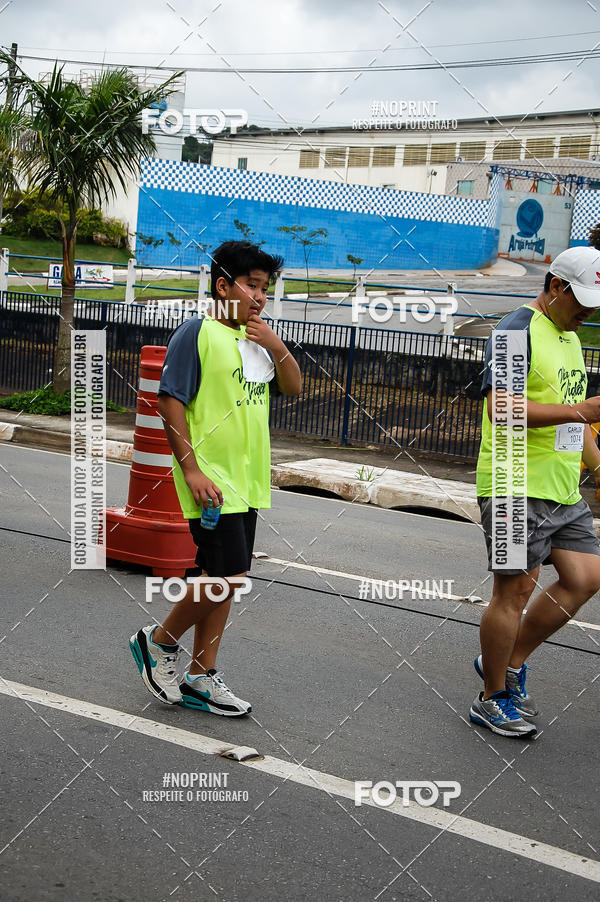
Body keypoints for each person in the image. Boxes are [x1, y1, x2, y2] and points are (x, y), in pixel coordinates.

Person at [130, 240, 302, 715]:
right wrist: (190, 467)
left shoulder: (256, 340)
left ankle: (201, 677)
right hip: (210, 482)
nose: (260, 297)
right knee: (229, 577)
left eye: (266, 288)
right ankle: (159, 643)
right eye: (252, 285)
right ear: (223, 286)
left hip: (246, 485)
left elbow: (294, 386)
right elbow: (170, 401)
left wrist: (276, 345)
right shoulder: (197, 332)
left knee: (222, 578)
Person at [471, 245, 600, 737]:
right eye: (582, 300)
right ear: (554, 286)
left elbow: (575, 417)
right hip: (512, 484)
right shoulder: (515, 330)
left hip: (561, 487)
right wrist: (581, 411)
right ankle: (492, 696)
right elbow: (499, 409)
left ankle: (507, 662)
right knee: (514, 590)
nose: (589, 311)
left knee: (586, 578)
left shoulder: (568, 337)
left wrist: (598, 467)